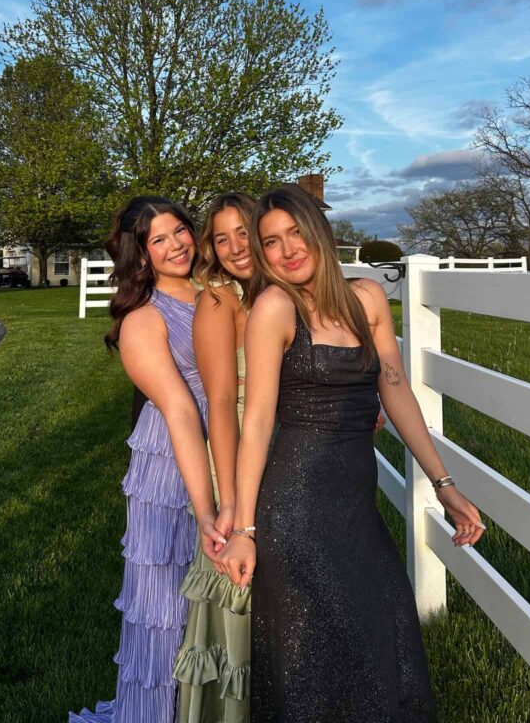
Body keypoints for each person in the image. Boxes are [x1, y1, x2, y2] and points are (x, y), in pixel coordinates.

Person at [222, 186, 485, 723]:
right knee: (315, 661)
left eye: (296, 233)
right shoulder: (275, 308)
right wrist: (244, 530)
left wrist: (444, 484)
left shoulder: (367, 299)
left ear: (320, 233)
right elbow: (258, 422)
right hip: (296, 509)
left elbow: (396, 390)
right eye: (271, 242)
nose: (287, 250)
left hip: (355, 508)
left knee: (383, 634)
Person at [70, 197, 225, 723]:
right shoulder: (144, 319)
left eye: (180, 230)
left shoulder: (219, 292)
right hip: (170, 464)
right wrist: (205, 508)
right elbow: (179, 410)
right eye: (159, 239)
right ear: (140, 254)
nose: (177, 244)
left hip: (229, 447)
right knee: (164, 604)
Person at [173, 193, 257, 723]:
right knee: (236, 594)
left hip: (292, 448)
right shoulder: (218, 303)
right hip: (237, 445)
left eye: (244, 232)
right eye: (221, 238)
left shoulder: (286, 292)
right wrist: (228, 500)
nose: (235, 247)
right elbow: (220, 403)